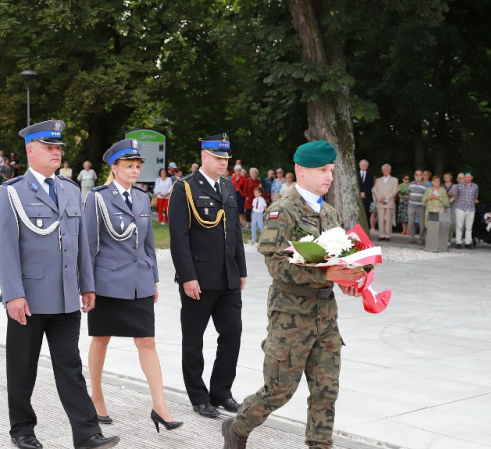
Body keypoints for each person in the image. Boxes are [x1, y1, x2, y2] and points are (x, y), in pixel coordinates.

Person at [222, 140, 364, 449]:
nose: (329, 176)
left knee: (326, 390)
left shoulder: (331, 214)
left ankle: (319, 445)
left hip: (326, 316)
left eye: (331, 170)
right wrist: (327, 273)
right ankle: (237, 427)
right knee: (280, 390)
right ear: (300, 170)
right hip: (290, 315)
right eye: (322, 170)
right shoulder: (281, 212)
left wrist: (350, 281)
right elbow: (277, 266)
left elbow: (341, 262)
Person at [0, 119, 119, 449]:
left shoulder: (71, 190)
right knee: (23, 371)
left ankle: (88, 434)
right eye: (49, 148)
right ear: (30, 150)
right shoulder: (12, 192)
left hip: (65, 299)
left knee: (71, 369)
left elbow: (82, 245)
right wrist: (14, 295)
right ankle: (22, 431)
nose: (56, 153)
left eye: (59, 148)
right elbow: (4, 249)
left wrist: (87, 285)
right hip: (28, 301)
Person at [83, 139, 182, 432]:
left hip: (139, 283)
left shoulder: (141, 198)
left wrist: (152, 279)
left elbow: (149, 245)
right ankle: (97, 399)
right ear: (114, 168)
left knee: (147, 342)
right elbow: (88, 245)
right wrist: (86, 287)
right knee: (101, 339)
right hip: (106, 283)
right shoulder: (98, 198)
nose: (135, 170)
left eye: (138, 166)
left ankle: (160, 406)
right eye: (129, 166)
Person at [168, 133, 247, 418]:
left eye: (226, 158)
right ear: (204, 157)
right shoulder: (185, 188)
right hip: (198, 279)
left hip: (227, 278)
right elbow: (178, 237)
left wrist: (241, 269)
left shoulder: (227, 186)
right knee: (194, 340)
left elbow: (235, 232)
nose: (223, 163)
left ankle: (221, 391)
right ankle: (198, 396)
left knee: (232, 335)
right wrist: (187, 276)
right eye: (218, 158)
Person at [453, 172, 480, 249]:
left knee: (469, 226)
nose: (467, 178)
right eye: (466, 177)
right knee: (459, 225)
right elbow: (456, 196)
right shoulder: (459, 186)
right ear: (464, 178)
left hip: (471, 209)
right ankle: (458, 242)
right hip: (461, 208)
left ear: (472, 177)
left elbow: (475, 197)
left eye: (469, 177)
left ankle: (468, 242)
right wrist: (458, 205)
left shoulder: (475, 186)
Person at [371, 164, 397, 241]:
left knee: (388, 219)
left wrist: (386, 198)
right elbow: (374, 190)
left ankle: (388, 235)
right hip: (380, 202)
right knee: (380, 219)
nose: (385, 171)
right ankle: (381, 234)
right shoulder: (378, 180)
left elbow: (394, 191)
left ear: (390, 170)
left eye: (387, 169)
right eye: (384, 170)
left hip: (389, 202)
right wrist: (380, 198)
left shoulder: (394, 180)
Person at [407, 170, 427, 244]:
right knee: (411, 223)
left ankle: (421, 239)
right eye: (416, 174)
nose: (418, 176)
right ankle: (411, 238)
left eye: (420, 175)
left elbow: (426, 196)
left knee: (422, 224)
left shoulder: (425, 185)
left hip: (421, 206)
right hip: (411, 206)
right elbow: (407, 194)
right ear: (414, 175)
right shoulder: (410, 184)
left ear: (422, 176)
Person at [357, 159, 374, 227]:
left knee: (366, 213)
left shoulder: (370, 175)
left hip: (367, 197)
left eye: (365, 165)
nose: (364, 166)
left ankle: (365, 227)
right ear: (360, 166)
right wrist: (359, 193)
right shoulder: (355, 174)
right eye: (362, 165)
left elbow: (371, 185)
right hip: (357, 197)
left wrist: (364, 193)